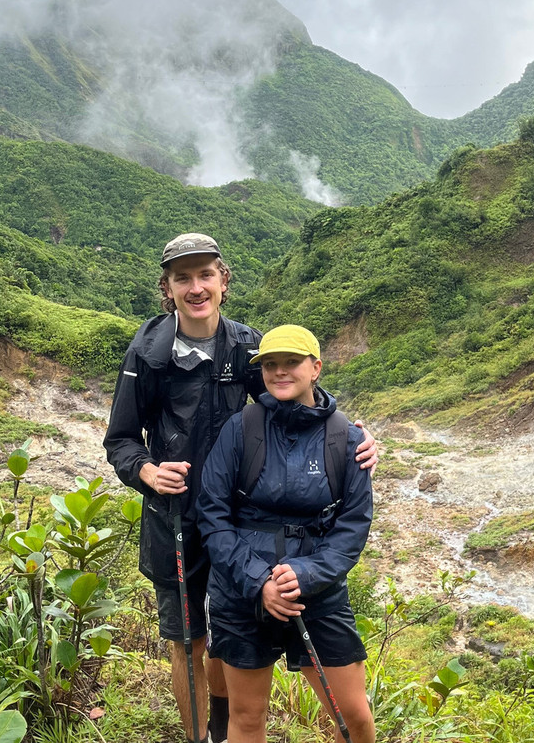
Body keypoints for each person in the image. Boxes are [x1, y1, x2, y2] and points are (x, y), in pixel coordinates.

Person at [104, 235, 377, 743]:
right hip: (177, 515)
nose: (195, 288)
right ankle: (201, 737)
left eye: (205, 275)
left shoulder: (248, 346)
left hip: (244, 522)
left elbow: (289, 398)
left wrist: (348, 434)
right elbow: (119, 439)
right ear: (167, 287)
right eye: (182, 278)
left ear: (223, 281)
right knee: (189, 641)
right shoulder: (147, 351)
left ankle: (225, 724)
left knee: (225, 636)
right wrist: (146, 472)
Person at [198, 325, 376, 743]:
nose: (280, 371)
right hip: (241, 590)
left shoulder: (347, 438)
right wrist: (258, 582)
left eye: (292, 362)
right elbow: (213, 514)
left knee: (355, 718)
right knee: (247, 716)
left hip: (318, 592)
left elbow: (353, 525)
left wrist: (307, 575)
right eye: (270, 364)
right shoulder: (241, 429)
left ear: (316, 368)